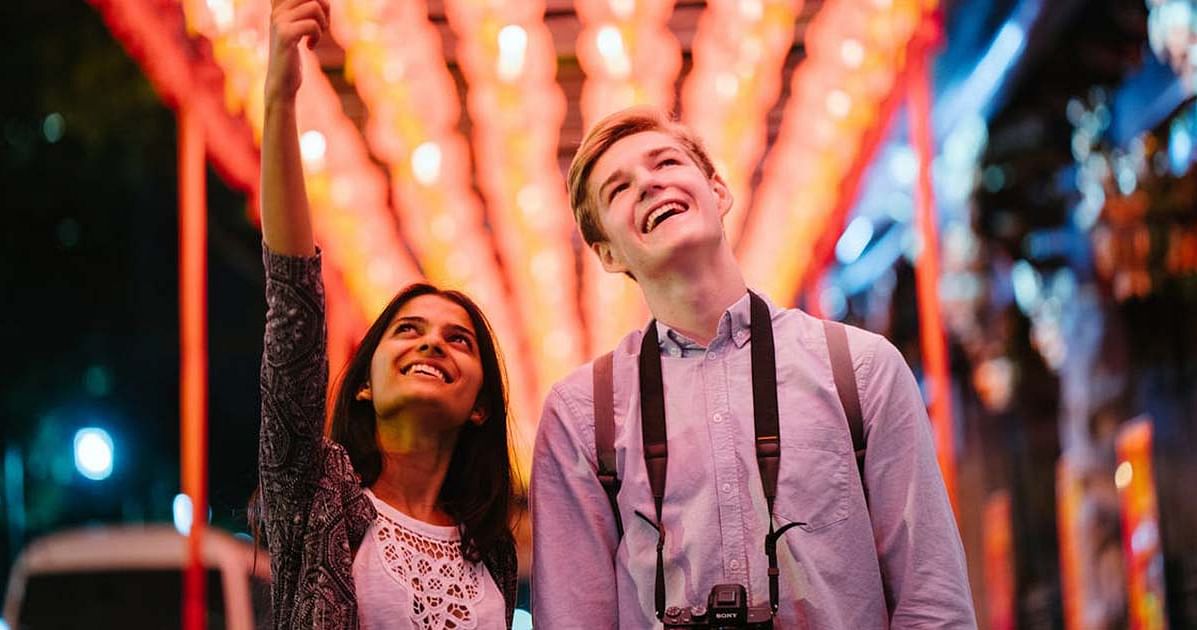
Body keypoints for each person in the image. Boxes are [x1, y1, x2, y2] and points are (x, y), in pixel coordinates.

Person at [530, 107, 976, 628]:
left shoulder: (860, 369)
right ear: (607, 254)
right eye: (619, 188)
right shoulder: (582, 414)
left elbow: (933, 600)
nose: (649, 184)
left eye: (666, 163)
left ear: (718, 192)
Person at [255, 1, 517, 627]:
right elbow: (293, 305)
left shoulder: (493, 552)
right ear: (367, 381)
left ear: (480, 404)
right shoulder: (315, 493)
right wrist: (279, 102)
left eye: (460, 340)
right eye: (409, 330)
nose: (432, 345)